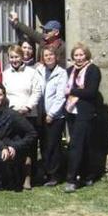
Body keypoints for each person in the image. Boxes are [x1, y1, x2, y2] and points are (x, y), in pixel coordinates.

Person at [0, 84, 38, 190]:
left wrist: (14, 146)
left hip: (9, 148)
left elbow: (32, 133)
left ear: (4, 96)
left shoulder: (13, 115)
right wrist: (3, 147)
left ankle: (7, 181)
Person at [2, 45, 43, 189]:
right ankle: (14, 178)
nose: (14, 60)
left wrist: (28, 107)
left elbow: (37, 91)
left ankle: (27, 178)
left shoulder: (32, 72)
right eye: (11, 57)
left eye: (17, 57)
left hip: (28, 115)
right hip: (11, 115)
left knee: (28, 148)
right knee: (13, 146)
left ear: (22, 57)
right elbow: (3, 94)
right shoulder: (5, 74)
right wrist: (9, 109)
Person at [64, 43, 103, 192]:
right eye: (76, 55)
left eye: (81, 55)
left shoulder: (93, 70)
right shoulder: (70, 71)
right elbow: (65, 90)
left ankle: (72, 180)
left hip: (84, 113)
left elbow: (91, 92)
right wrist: (78, 90)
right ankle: (87, 175)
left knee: (76, 145)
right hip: (71, 111)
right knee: (82, 144)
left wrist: (73, 90)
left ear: (86, 55)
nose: (79, 58)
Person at [38, 45, 68, 186]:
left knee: (53, 146)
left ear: (56, 57)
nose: (48, 58)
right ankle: (46, 172)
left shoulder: (61, 73)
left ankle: (55, 175)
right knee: (44, 145)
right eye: (46, 55)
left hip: (55, 116)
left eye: (51, 55)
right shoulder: (40, 70)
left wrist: (51, 113)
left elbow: (60, 97)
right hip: (41, 114)